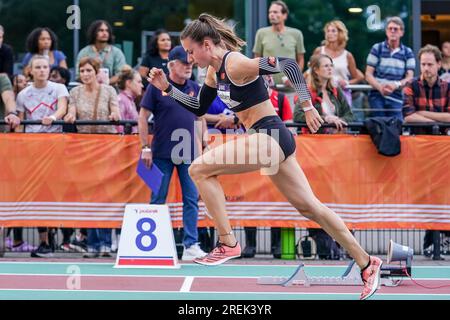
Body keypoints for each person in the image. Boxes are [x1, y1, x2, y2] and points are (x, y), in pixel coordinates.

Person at [148, 13, 383, 300]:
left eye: (190, 50)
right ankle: (367, 262)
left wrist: (307, 106)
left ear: (207, 45)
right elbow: (198, 108)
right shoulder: (212, 71)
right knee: (310, 207)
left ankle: (227, 242)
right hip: (267, 140)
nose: (188, 57)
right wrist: (168, 89)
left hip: (269, 135)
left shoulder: (235, 63)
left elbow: (289, 64)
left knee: (198, 169)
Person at [139, 46, 207, 261]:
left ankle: (190, 245)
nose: (189, 67)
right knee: (157, 198)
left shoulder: (195, 87)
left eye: (191, 63)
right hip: (160, 153)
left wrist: (203, 142)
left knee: (191, 199)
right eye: (184, 63)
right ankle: (154, 245)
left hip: (188, 153)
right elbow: (142, 117)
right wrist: (145, 148)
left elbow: (200, 117)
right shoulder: (155, 87)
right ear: (171, 65)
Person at [65, 57, 120, 257]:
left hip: (106, 146)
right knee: (88, 195)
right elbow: (71, 110)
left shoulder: (109, 91)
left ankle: (106, 243)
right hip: (84, 147)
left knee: (105, 194)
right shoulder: (75, 92)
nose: (85, 74)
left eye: (89, 70)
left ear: (97, 72)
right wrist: (70, 116)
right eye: (82, 71)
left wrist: (114, 115)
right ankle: (92, 243)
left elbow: (115, 109)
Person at [16, 55, 69, 257]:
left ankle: (57, 234)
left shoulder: (59, 88)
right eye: (37, 67)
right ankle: (44, 241)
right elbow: (21, 122)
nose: (41, 70)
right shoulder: (23, 94)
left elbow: (62, 108)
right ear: (30, 70)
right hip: (33, 149)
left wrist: (53, 117)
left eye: (45, 67)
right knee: (38, 195)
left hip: (54, 146)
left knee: (55, 193)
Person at [365, 16, 415, 120]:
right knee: (380, 127)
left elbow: (410, 78)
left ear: (402, 32)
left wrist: (395, 85)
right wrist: (380, 87)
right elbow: (368, 74)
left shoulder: (408, 52)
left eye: (396, 29)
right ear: (386, 31)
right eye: (390, 28)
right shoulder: (377, 48)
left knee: (397, 127)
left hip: (397, 96)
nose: (392, 31)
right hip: (377, 95)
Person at [294, 54, 354, 133]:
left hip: (337, 139)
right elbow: (297, 116)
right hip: (315, 140)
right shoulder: (306, 91)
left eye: (331, 65)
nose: (330, 69)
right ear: (316, 70)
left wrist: (339, 121)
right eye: (326, 66)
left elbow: (349, 114)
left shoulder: (336, 89)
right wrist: (325, 119)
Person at [312, 20, 364, 108]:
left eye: (333, 31)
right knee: (323, 120)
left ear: (340, 33)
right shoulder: (319, 51)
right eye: (328, 31)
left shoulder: (347, 55)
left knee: (343, 120)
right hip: (321, 93)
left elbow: (359, 77)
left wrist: (347, 82)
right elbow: (311, 72)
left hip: (342, 95)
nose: (329, 33)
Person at [253, 1, 305, 89]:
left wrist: (295, 78)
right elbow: (256, 59)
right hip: (268, 88)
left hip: (291, 88)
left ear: (284, 15)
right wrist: (262, 76)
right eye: (270, 12)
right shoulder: (261, 33)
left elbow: (301, 59)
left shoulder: (296, 34)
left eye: (275, 12)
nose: (272, 15)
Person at [403, 45, 450, 131]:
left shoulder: (448, 87)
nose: (426, 68)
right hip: (418, 139)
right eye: (423, 64)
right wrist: (435, 124)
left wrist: (422, 113)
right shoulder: (411, 85)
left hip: (443, 140)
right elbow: (408, 116)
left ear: (439, 64)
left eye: (430, 64)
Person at [76, 20, 126, 86]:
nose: (105, 33)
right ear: (94, 32)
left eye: (107, 31)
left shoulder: (117, 52)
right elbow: (78, 75)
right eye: (101, 30)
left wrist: (106, 82)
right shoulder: (84, 52)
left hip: (111, 91)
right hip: (88, 91)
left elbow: (121, 75)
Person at [117, 65, 143, 134]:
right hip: (125, 143)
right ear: (128, 83)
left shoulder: (130, 100)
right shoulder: (121, 100)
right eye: (139, 82)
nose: (142, 85)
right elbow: (120, 129)